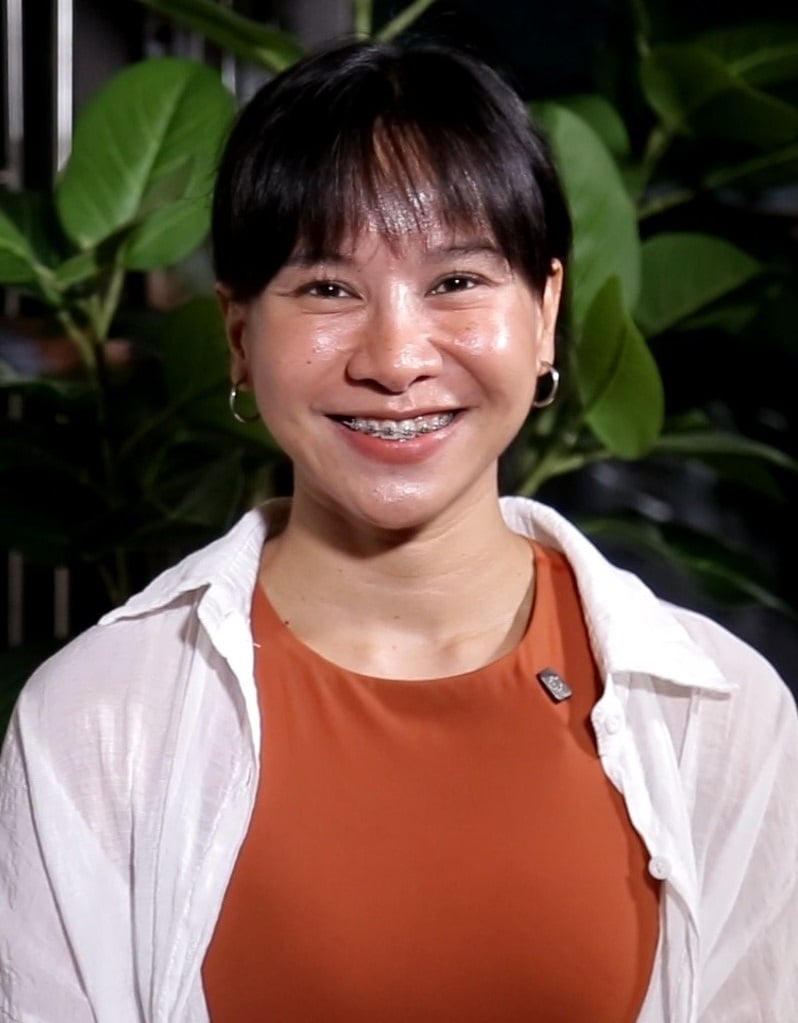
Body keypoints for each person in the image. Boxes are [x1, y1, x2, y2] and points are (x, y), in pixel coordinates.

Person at [1, 37, 796, 1023]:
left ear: (546, 312)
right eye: (327, 289)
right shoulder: (97, 718)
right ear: (240, 335)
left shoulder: (719, 715)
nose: (395, 358)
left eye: (456, 282)